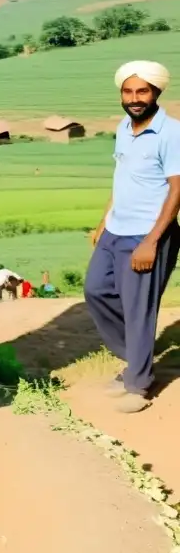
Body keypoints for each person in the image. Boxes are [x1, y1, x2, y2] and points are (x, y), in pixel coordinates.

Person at [84, 60, 180, 414]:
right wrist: (102, 222)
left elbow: (176, 191)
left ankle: (138, 384)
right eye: (128, 91)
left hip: (146, 233)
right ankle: (137, 359)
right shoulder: (125, 127)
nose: (135, 98)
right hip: (115, 228)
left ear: (156, 92)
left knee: (139, 310)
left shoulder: (172, 133)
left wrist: (152, 241)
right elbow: (122, 177)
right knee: (95, 290)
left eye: (142, 91)